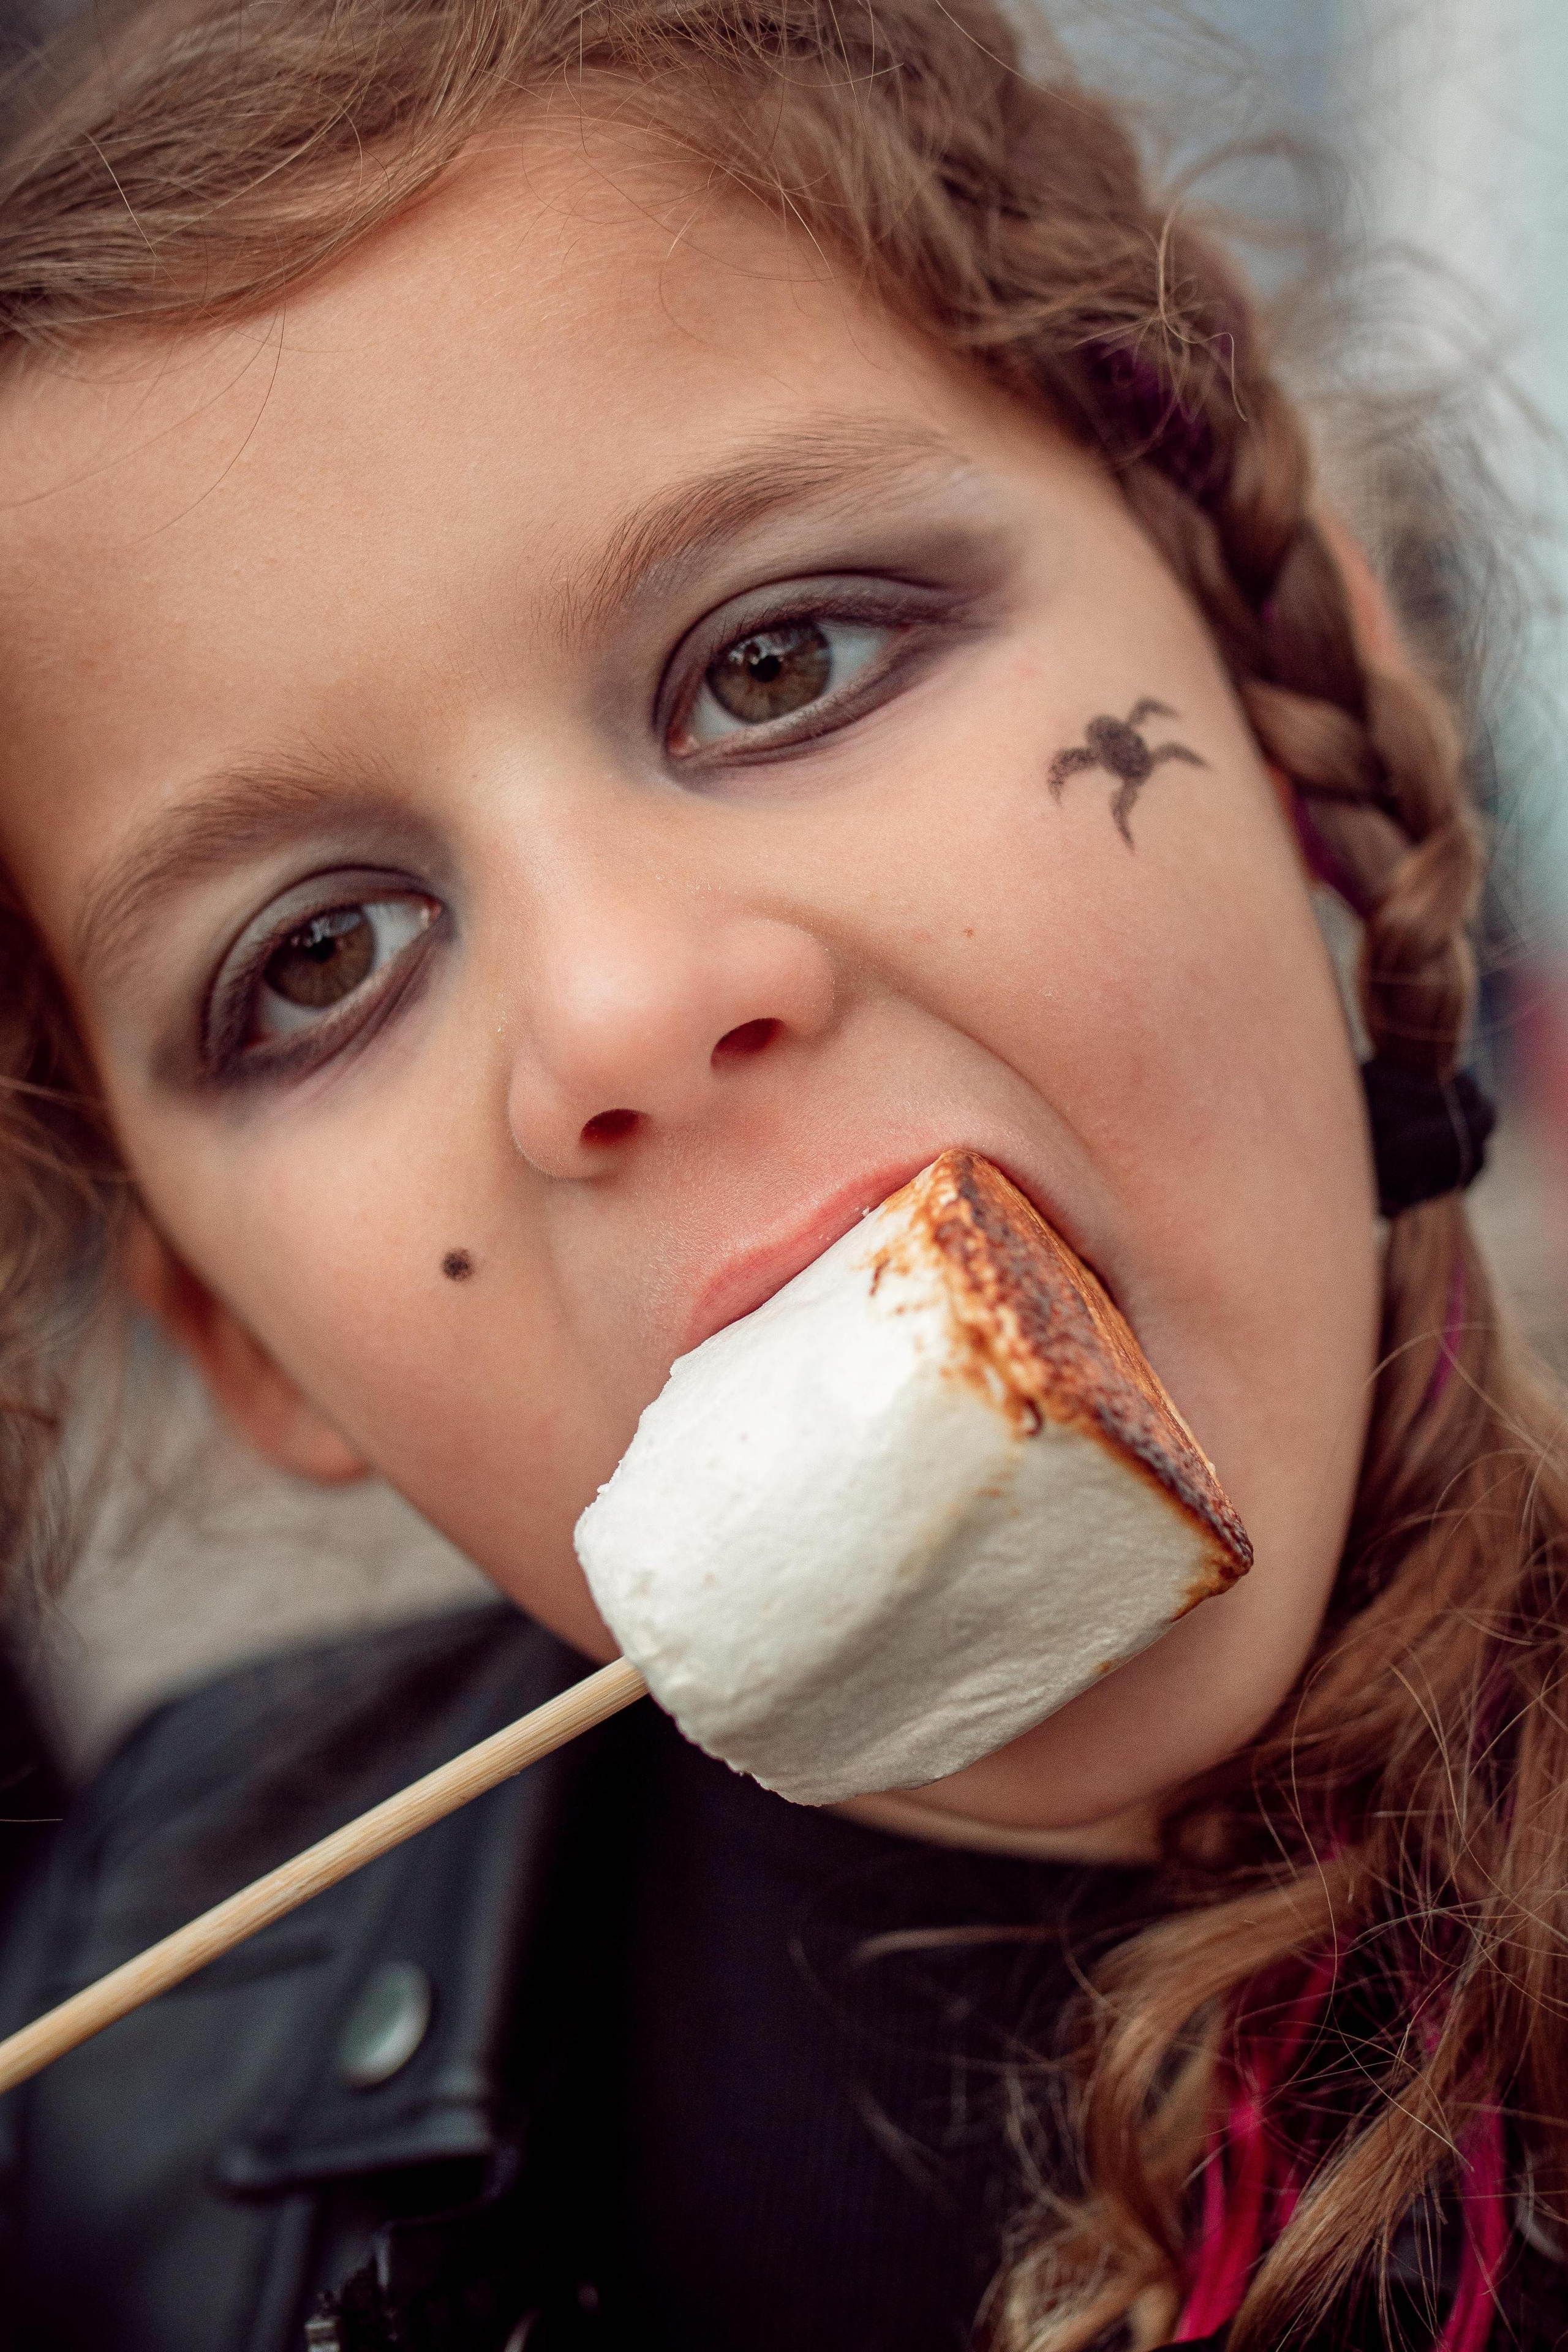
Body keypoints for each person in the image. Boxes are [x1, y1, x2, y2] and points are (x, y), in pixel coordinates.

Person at [0, 2, 1559, 2346]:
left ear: (1284, 686)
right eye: (319, 960)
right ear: (246, 1338)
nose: (623, 1009)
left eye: (780, 664)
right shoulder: (142, 2060)